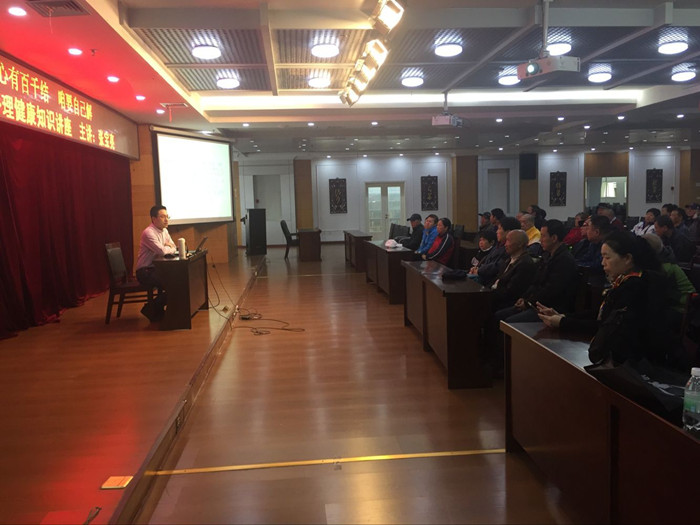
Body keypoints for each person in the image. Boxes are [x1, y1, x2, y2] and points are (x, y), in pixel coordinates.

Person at [538, 231, 672, 366]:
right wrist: (563, 316)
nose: (603, 263)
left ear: (627, 258)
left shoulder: (636, 287)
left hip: (632, 363)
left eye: (607, 257)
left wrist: (563, 322)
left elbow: (606, 327)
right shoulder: (627, 281)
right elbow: (603, 314)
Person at [494, 219, 578, 324]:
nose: (540, 239)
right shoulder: (547, 255)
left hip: (550, 308)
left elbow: (551, 290)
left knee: (508, 320)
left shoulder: (564, 260)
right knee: (499, 314)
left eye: (543, 236)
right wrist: (524, 298)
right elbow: (535, 282)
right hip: (537, 303)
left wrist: (528, 303)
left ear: (554, 238)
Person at [135, 205, 177, 321]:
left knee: (178, 282)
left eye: (167, 216)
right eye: (162, 217)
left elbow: (174, 247)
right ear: (154, 219)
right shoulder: (148, 233)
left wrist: (169, 247)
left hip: (156, 269)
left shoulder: (165, 231)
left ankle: (152, 308)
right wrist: (167, 247)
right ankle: (152, 309)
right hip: (145, 271)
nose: (166, 220)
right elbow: (162, 251)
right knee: (173, 285)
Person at [491, 229, 537, 311]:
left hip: (506, 302)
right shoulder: (509, 259)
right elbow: (497, 279)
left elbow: (510, 292)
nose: (505, 244)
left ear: (520, 244)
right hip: (495, 295)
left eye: (508, 241)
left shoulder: (525, 264)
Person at [470, 216, 521, 287]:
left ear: (509, 232)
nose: (497, 231)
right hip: (482, 275)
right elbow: (487, 258)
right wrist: (477, 268)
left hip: (489, 282)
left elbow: (498, 267)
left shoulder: (510, 249)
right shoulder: (499, 244)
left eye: (499, 229)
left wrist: (479, 270)